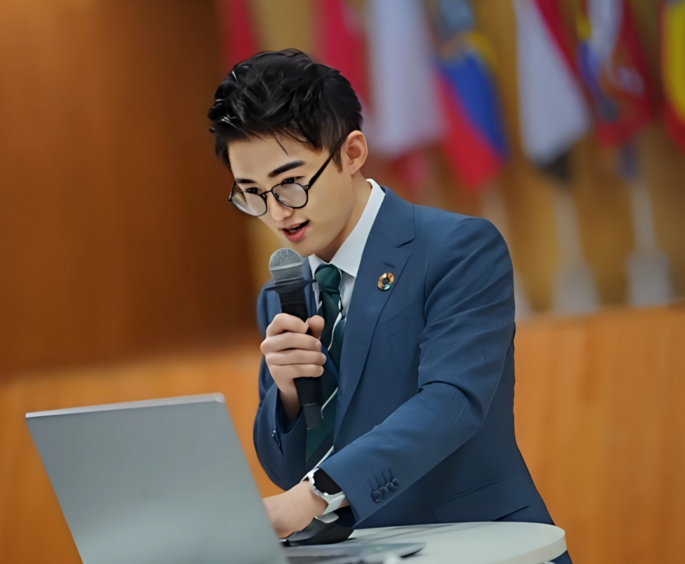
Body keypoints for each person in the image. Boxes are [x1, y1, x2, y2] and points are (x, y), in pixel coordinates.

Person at [207, 49, 571, 564]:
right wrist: (288, 397)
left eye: (289, 183)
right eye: (251, 194)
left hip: (485, 544)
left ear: (352, 152)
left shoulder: (458, 248)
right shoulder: (281, 293)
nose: (277, 212)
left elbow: (450, 403)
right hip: (369, 554)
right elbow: (288, 471)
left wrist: (314, 495)